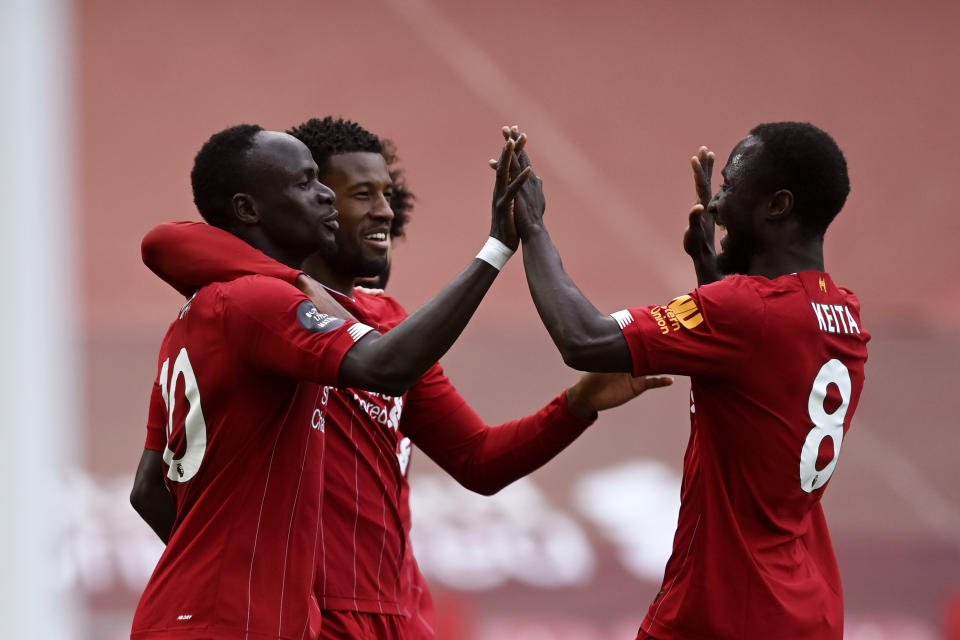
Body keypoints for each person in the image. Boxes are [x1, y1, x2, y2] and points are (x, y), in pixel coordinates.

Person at [137, 117, 672, 639]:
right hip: (304, 615)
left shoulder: (384, 322)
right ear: (261, 204)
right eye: (357, 192)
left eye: (388, 194)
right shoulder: (266, 309)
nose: (384, 211)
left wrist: (578, 403)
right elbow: (164, 241)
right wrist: (239, 578)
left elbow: (478, 460)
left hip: (391, 614)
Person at [505, 122, 869, 640]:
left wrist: (533, 227)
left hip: (720, 611)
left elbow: (583, 340)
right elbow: (759, 363)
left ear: (777, 205)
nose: (715, 205)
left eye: (730, 185)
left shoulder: (744, 313)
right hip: (807, 609)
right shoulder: (843, 311)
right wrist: (710, 266)